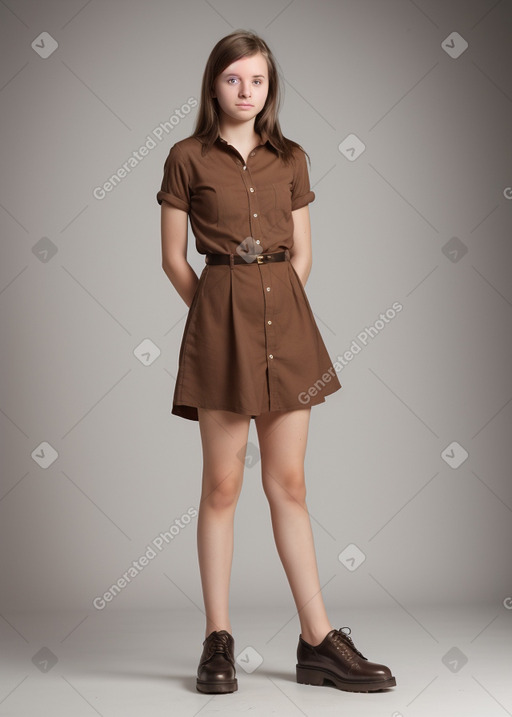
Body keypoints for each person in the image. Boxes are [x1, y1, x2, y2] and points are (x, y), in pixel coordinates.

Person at [157, 29, 396, 695]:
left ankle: (318, 639)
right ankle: (217, 639)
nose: (245, 90)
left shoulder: (291, 158)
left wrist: (275, 312)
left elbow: (304, 257)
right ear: (214, 86)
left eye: (257, 80)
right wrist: (213, 313)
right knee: (221, 487)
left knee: (289, 484)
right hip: (221, 325)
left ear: (269, 89)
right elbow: (175, 258)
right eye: (234, 79)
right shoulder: (186, 158)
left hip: (287, 324)